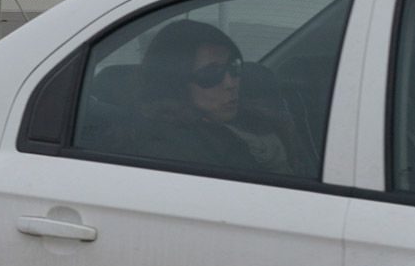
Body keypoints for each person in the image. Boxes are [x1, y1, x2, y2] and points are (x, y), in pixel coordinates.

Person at [131, 19, 309, 175]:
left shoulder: (262, 118)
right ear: (174, 83)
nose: (231, 83)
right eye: (211, 73)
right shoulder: (169, 149)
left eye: (234, 67)